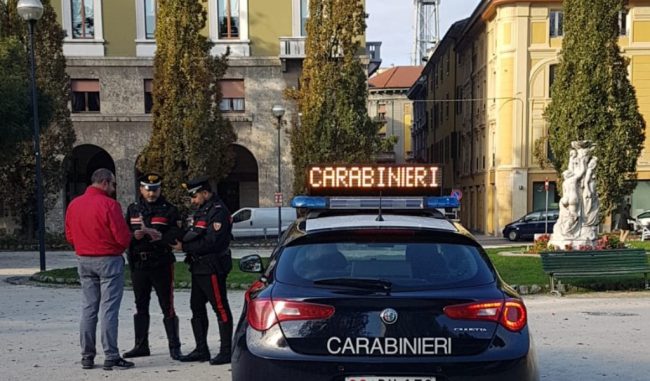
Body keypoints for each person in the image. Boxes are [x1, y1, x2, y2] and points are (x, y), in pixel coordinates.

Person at [64, 168, 134, 371]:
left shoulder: (74, 204)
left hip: (84, 259)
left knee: (88, 308)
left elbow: (69, 235)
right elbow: (122, 236)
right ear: (104, 182)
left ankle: (87, 356)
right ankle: (111, 355)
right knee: (109, 309)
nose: (113, 188)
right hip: (108, 259)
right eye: (113, 184)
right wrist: (120, 248)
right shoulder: (110, 205)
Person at [171, 176, 234, 365]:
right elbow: (193, 233)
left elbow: (212, 242)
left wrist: (185, 248)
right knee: (196, 307)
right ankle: (201, 349)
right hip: (198, 266)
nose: (193, 201)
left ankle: (226, 351)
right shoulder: (201, 211)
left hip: (212, 266)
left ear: (205, 193)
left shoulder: (218, 212)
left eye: (195, 196)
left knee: (220, 307)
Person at [123, 173, 183, 360]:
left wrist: (161, 237)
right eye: (148, 190)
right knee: (141, 304)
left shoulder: (169, 210)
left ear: (160, 189)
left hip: (161, 262)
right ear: (141, 189)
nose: (151, 193)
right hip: (139, 263)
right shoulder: (133, 209)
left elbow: (177, 233)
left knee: (167, 306)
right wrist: (134, 237)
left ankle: (174, 346)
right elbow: (125, 232)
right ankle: (141, 345)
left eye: (155, 189)